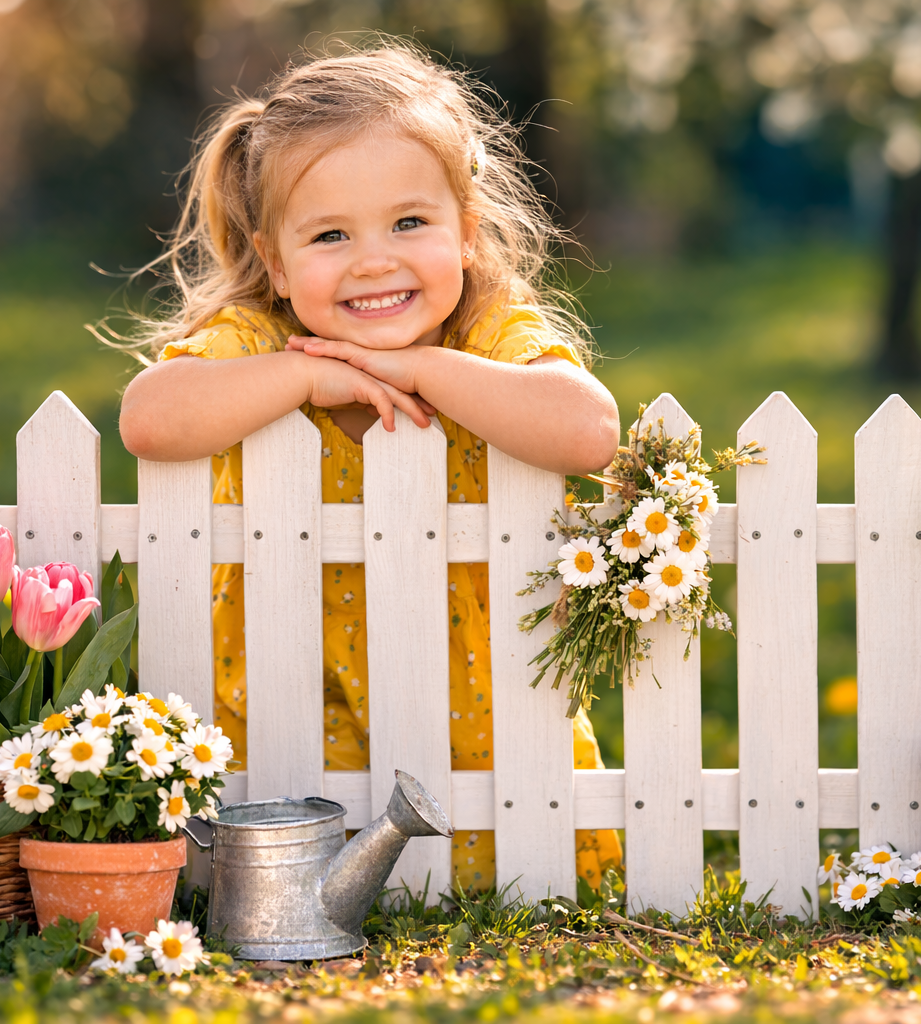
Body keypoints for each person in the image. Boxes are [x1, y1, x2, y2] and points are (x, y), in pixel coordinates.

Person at [117, 42, 623, 891]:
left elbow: (588, 431)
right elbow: (148, 417)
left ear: (466, 231)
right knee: (285, 843)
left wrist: (426, 370)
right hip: (286, 709)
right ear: (275, 262)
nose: (374, 259)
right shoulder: (261, 342)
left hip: (479, 711)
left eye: (410, 223)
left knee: (497, 865)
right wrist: (306, 374)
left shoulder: (487, 335)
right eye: (329, 235)